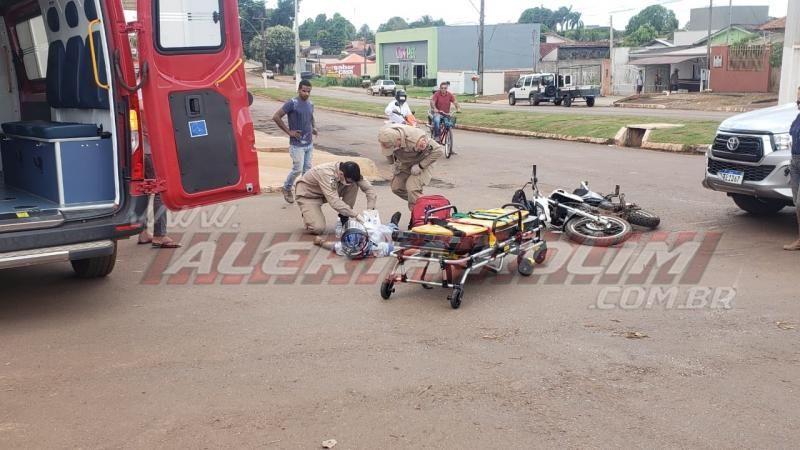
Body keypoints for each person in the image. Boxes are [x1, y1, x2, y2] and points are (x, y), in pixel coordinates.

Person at [294, 161, 377, 235]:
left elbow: (369, 190)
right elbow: (334, 202)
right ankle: (308, 213)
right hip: (309, 196)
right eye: (348, 180)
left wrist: (370, 212)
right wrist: (356, 216)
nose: (349, 182)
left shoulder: (352, 173)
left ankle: (343, 217)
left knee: (354, 184)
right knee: (318, 229)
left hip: (327, 192)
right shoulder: (326, 174)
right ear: (341, 174)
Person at [378, 124, 443, 211]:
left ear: (399, 139)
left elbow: (438, 151)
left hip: (422, 162)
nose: (393, 149)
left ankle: (422, 213)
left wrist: (420, 166)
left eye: (394, 146)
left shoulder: (417, 140)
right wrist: (392, 164)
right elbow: (388, 152)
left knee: (412, 188)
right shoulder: (385, 135)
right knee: (396, 187)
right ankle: (427, 204)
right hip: (405, 162)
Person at [273, 79, 317, 204]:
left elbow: (311, 116)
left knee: (307, 169)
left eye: (309, 91)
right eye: (304, 91)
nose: (306, 93)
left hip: (309, 143)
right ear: (298, 90)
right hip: (296, 144)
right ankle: (286, 188)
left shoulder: (310, 104)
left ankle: (304, 192)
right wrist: (289, 131)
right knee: (297, 169)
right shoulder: (292, 103)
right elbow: (276, 117)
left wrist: (314, 127)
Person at [137, 136, 181, 248]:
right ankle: (160, 235)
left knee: (144, 190)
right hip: (152, 151)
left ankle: (143, 232)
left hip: (138, 151)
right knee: (160, 190)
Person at [784, 87, 800, 251]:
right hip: (795, 161)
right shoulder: (798, 117)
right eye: (797, 100)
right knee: (797, 203)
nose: (798, 103)